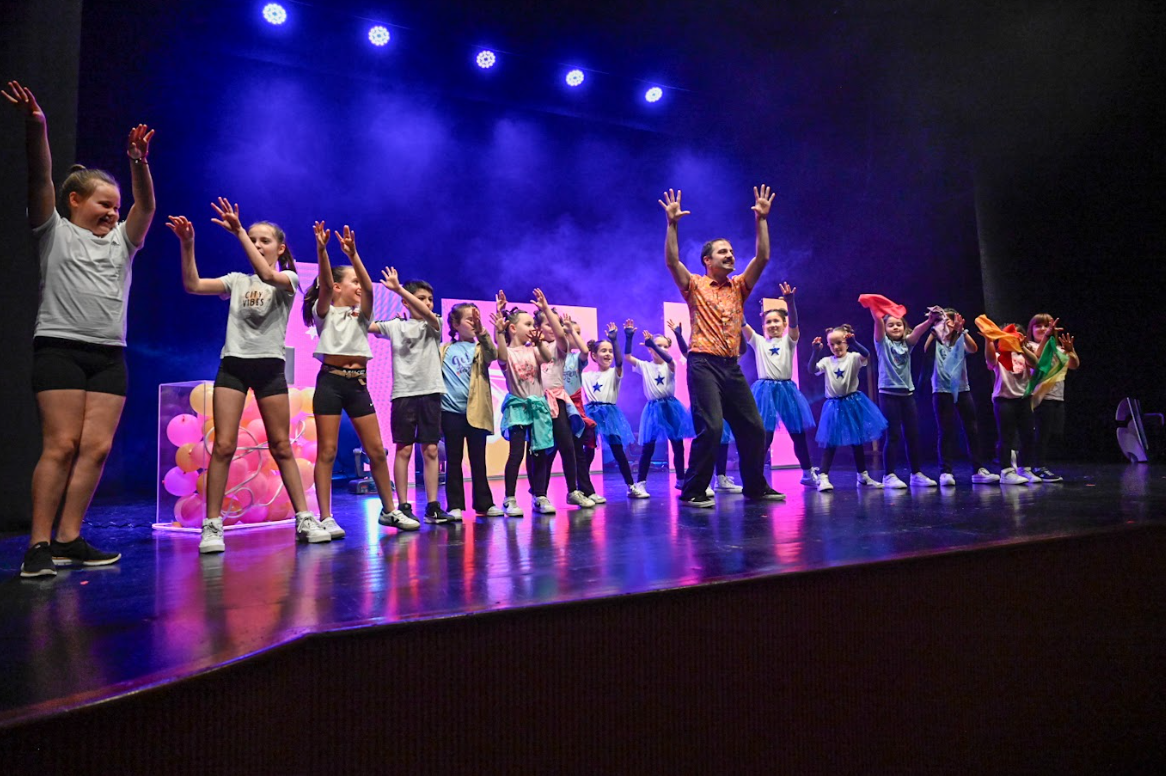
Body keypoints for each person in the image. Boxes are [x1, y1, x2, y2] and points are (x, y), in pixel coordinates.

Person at [7, 81, 156, 577]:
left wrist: (138, 162)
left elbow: (145, 208)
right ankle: (38, 545)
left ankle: (69, 538)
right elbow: (40, 176)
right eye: (103, 204)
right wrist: (37, 126)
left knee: (96, 448)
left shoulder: (122, 243)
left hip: (109, 354)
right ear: (74, 201)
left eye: (116, 206)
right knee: (62, 444)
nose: (113, 213)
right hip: (60, 349)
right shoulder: (53, 230)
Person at [169, 200, 327, 552]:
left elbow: (268, 276)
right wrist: (188, 243)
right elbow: (193, 285)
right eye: (252, 239)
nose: (256, 244)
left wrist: (239, 231)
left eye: (264, 240)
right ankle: (212, 525)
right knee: (223, 445)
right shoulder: (237, 281)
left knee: (281, 445)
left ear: (280, 248)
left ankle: (304, 518)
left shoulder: (289, 279)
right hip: (233, 365)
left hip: (269, 368)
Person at [660, 187, 784, 507]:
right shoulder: (695, 285)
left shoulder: (739, 286)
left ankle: (755, 486)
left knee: (754, 427)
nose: (730, 255)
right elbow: (672, 261)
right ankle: (693, 490)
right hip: (703, 364)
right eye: (722, 252)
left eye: (731, 251)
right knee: (712, 427)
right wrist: (672, 224)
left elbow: (763, 257)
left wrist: (761, 220)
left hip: (731, 366)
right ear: (707, 260)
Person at [304, 222, 418, 531]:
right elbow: (324, 286)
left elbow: (369, 289)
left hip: (357, 384)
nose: (358, 286)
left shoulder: (361, 314)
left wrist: (353, 255)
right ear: (336, 288)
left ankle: (390, 510)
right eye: (351, 281)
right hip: (330, 382)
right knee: (327, 451)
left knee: (377, 450)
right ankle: (326, 517)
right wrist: (322, 250)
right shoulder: (324, 311)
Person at [373, 271, 452, 524]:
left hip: (430, 393)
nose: (427, 303)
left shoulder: (434, 323)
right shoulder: (396, 326)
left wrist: (399, 289)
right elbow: (367, 325)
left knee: (431, 450)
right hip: (404, 394)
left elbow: (428, 314)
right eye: (421, 298)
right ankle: (403, 506)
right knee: (404, 449)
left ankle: (433, 506)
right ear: (406, 302)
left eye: (430, 299)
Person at [743, 282, 817, 486]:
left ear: (784, 324)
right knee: (764, 436)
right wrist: (735, 303)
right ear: (763, 326)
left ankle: (807, 473)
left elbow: (794, 324)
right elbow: (742, 324)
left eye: (777, 321)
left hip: (786, 390)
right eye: (768, 322)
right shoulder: (758, 341)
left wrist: (790, 303)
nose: (773, 325)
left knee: (797, 433)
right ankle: (756, 477)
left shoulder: (789, 341)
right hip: (765, 391)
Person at [492, 292, 555, 517]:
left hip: (537, 407)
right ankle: (509, 498)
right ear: (512, 328)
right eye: (527, 324)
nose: (532, 327)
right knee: (516, 453)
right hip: (518, 407)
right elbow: (501, 355)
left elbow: (547, 358)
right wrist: (499, 326)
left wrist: (539, 343)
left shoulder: (534, 350)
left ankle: (540, 495)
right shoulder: (508, 352)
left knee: (539, 453)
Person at [438, 303, 502, 518]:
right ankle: (454, 505)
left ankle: (484, 503)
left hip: (476, 411)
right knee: (453, 460)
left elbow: (493, 354)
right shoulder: (444, 349)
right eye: (469, 319)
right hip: (450, 411)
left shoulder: (480, 348)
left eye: (477, 319)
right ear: (455, 324)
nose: (474, 323)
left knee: (478, 459)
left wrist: (483, 331)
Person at [532, 291, 595, 508]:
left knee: (567, 446)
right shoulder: (531, 349)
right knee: (541, 450)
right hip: (538, 403)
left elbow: (560, 334)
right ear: (537, 327)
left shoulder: (559, 347)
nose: (553, 327)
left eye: (555, 323)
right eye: (547, 324)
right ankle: (539, 495)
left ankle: (573, 490)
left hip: (558, 400)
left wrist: (546, 309)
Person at [868, 301, 940, 489]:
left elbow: (917, 332)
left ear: (904, 327)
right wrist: (876, 312)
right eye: (891, 325)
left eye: (899, 324)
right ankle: (889, 475)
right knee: (893, 435)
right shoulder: (882, 344)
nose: (895, 327)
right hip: (888, 394)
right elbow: (878, 324)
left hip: (907, 394)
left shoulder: (907, 344)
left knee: (913, 435)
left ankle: (916, 474)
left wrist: (930, 321)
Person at [922, 308, 999, 485]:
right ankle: (945, 472)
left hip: (963, 390)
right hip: (941, 391)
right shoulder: (936, 341)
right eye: (942, 321)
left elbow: (973, 348)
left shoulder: (959, 340)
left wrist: (961, 330)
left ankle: (978, 470)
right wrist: (936, 327)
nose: (946, 324)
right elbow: (926, 349)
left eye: (949, 320)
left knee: (972, 429)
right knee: (945, 431)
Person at [809, 325, 888, 493]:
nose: (836, 347)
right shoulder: (827, 361)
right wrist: (816, 352)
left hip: (853, 402)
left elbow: (866, 354)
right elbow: (812, 369)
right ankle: (823, 476)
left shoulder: (853, 357)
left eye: (839, 342)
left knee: (857, 440)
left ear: (846, 342)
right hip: (834, 405)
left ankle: (862, 476)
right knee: (831, 441)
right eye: (832, 344)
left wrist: (855, 343)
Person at [626, 324, 694, 497]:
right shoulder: (645, 366)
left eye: (665, 346)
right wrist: (629, 337)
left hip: (671, 407)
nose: (661, 349)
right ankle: (641, 483)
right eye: (658, 346)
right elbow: (627, 357)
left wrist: (653, 345)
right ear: (649, 349)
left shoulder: (671, 364)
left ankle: (681, 479)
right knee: (648, 447)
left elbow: (669, 360)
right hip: (653, 408)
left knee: (677, 445)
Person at [671, 320, 733, 497]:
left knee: (723, 439)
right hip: (704, 399)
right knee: (705, 437)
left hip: (722, 399)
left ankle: (721, 478)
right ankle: (702, 481)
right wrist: (678, 335)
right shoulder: (699, 351)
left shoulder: (724, 350)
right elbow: (687, 353)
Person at [582, 323, 642, 499]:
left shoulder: (615, 372)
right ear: (594, 355)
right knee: (588, 451)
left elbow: (620, 361)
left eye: (610, 351)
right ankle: (584, 488)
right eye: (603, 351)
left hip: (609, 414)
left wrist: (615, 340)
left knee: (618, 450)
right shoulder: (586, 375)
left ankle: (631, 485)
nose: (608, 354)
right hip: (591, 414)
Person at [979, 316, 1041, 486]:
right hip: (1004, 400)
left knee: (1028, 435)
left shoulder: (1024, 355)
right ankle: (1006, 471)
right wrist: (988, 340)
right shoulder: (999, 355)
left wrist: (1022, 347)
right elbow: (990, 360)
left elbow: (1036, 364)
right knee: (1006, 436)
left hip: (1024, 399)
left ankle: (1024, 468)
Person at [1024, 314, 1080, 482]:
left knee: (1054, 434)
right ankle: (1037, 467)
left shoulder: (1059, 349)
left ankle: (1036, 463)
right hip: (1040, 396)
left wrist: (1071, 350)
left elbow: (1074, 365)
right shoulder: (1030, 346)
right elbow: (1038, 360)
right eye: (1038, 326)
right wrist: (1047, 336)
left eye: (1046, 326)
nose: (1042, 329)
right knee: (1041, 434)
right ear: (1031, 329)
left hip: (1057, 397)